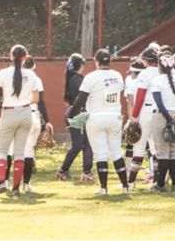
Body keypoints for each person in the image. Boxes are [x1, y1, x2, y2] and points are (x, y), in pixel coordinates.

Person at [67, 49, 130, 196]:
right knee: (116, 152)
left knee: (101, 154)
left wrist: (71, 115)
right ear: (109, 61)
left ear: (96, 61)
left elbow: (80, 99)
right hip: (115, 116)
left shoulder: (91, 77)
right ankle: (125, 186)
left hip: (96, 117)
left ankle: (103, 189)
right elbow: (115, 93)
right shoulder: (117, 76)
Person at [0, 45, 38, 198]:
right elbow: (36, 98)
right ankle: (16, 188)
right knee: (20, 153)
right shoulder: (31, 75)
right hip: (26, 112)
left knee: (1, 150)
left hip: (9, 112)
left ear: (11, 56)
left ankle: (1, 183)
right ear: (25, 57)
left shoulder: (4, 73)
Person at [149, 52, 175, 192]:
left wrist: (167, 117)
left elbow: (159, 102)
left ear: (160, 66)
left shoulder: (157, 81)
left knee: (162, 151)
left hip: (162, 116)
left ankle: (160, 184)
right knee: (173, 151)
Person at [17, 55, 52, 192]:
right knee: (28, 151)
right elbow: (40, 101)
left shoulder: (13, 76)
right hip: (31, 114)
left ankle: (8, 183)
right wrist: (47, 121)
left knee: (13, 151)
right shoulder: (35, 78)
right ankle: (26, 184)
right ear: (34, 65)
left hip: (15, 113)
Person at [127, 47, 161, 186]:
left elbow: (140, 97)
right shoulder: (163, 72)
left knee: (139, 147)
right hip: (160, 111)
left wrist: (134, 116)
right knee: (156, 148)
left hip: (146, 110)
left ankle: (130, 182)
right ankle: (157, 181)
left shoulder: (144, 74)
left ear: (146, 60)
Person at [57, 53, 94, 182]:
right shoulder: (78, 79)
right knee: (79, 145)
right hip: (77, 113)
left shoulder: (72, 78)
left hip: (76, 112)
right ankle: (63, 170)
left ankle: (86, 172)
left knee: (86, 144)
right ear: (81, 65)